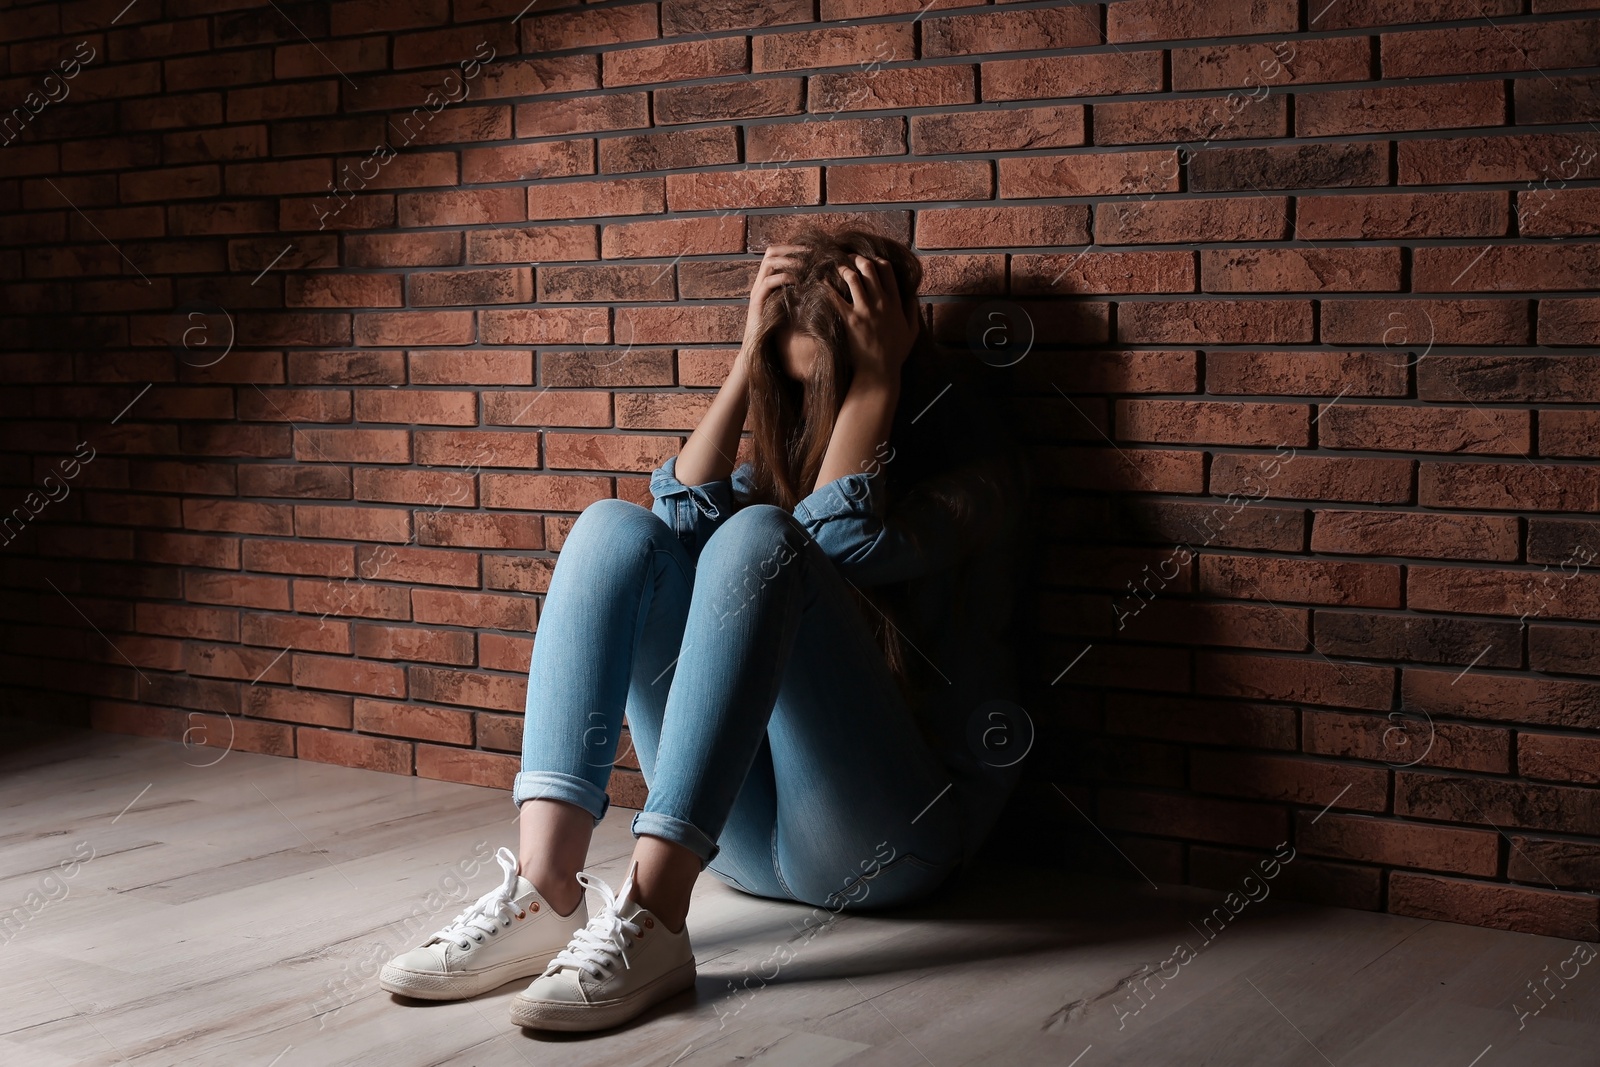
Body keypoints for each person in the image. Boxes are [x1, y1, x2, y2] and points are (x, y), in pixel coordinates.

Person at [379, 226, 1032, 1033]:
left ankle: (654, 914)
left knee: (763, 539)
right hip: (744, 844)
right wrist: (744, 362)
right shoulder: (792, 453)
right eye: (794, 392)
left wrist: (875, 385)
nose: (809, 414)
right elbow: (677, 519)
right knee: (613, 529)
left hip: (890, 846)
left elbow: (823, 548)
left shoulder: (973, 472)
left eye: (833, 388)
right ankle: (549, 887)